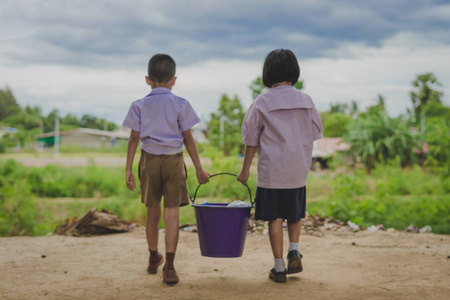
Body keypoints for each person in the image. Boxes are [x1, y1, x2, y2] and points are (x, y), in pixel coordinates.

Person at [123, 53, 210, 284]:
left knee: (152, 213)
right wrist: (200, 169)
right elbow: (189, 139)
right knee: (172, 214)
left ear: (147, 79)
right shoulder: (181, 104)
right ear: (173, 79)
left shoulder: (138, 105)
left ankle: (153, 258)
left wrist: (128, 170)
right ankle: (169, 267)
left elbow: (133, 139)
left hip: (149, 161)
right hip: (173, 161)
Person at [237, 49, 323, 283]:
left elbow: (251, 139)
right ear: (294, 72)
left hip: (272, 172)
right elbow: (316, 132)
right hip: (297, 171)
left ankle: (279, 268)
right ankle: (294, 249)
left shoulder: (262, 101)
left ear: (268, 73)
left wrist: (245, 170)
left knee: (274, 218)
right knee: (294, 215)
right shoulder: (306, 101)